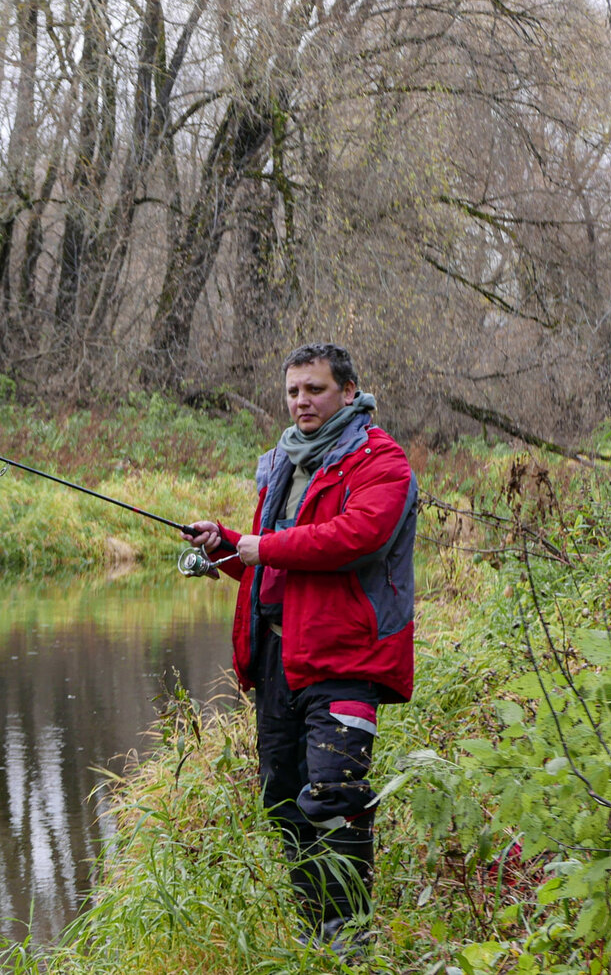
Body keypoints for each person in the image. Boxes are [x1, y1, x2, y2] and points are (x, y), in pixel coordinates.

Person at [185, 343, 416, 959]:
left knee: (334, 800)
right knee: (283, 800)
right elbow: (276, 566)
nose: (301, 402)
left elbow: (354, 539)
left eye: (313, 389)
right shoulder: (287, 462)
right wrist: (227, 545)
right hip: (279, 664)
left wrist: (262, 547)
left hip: (346, 664)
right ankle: (317, 937)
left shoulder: (382, 462)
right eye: (292, 391)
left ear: (347, 390)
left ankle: (353, 945)